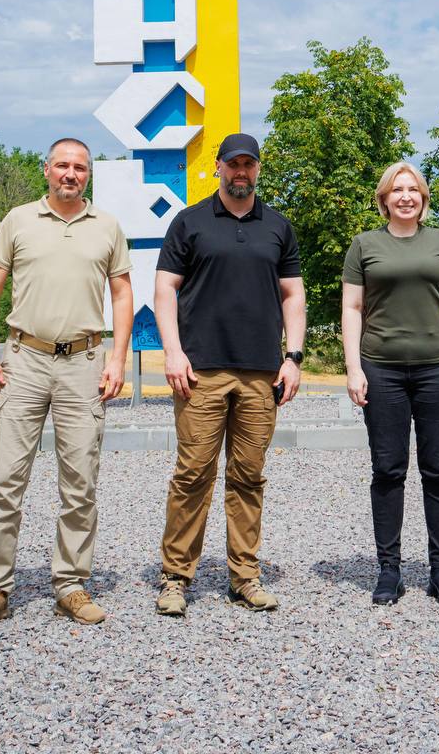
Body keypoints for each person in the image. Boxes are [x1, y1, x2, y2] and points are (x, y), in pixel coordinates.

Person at [0, 138, 133, 630]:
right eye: (62, 165)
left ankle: (71, 586)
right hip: (23, 360)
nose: (70, 174)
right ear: (46, 170)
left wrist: (116, 359)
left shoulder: (107, 226)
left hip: (83, 363)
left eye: (79, 167)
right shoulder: (17, 220)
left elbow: (122, 296)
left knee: (80, 482)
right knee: (5, 481)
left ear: (88, 175)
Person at [153, 133, 306, 616]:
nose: (241, 171)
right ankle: (176, 578)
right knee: (193, 473)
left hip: (261, 374)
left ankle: (245, 575)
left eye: (249, 164)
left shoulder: (277, 227)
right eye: (233, 163)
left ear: (258, 169)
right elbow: (164, 290)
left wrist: (294, 357)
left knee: (248, 476)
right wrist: (173, 352)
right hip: (200, 372)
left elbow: (293, 296)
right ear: (218, 167)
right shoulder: (190, 222)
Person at [341, 162, 439, 608]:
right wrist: (354, 368)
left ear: (422, 197)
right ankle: (389, 570)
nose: (405, 196)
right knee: (388, 470)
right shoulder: (365, 245)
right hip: (381, 370)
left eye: (412, 189)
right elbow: (352, 309)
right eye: (396, 190)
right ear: (384, 199)